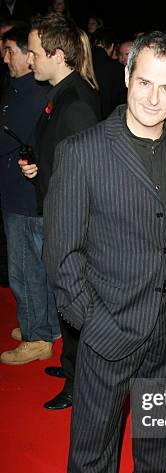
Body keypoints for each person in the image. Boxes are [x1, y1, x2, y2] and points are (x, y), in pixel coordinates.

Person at [43, 31, 166, 473]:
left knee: (157, 427)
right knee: (93, 442)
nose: (153, 98)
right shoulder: (82, 152)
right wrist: (94, 324)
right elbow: (62, 256)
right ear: (126, 78)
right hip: (109, 327)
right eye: (144, 82)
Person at [19, 12, 101, 409]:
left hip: (74, 224)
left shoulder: (77, 101)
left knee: (76, 301)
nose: (29, 59)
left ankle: (80, 381)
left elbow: (87, 176)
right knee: (66, 300)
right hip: (60, 215)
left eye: (34, 53)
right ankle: (71, 366)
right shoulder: (62, 93)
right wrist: (39, 167)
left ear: (55, 54)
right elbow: (62, 158)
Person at [0, 25, 60, 365]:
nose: (5, 57)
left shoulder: (32, 93)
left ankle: (37, 336)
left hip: (24, 198)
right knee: (35, 267)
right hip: (23, 194)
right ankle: (45, 326)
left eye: (11, 50)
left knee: (25, 270)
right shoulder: (21, 87)